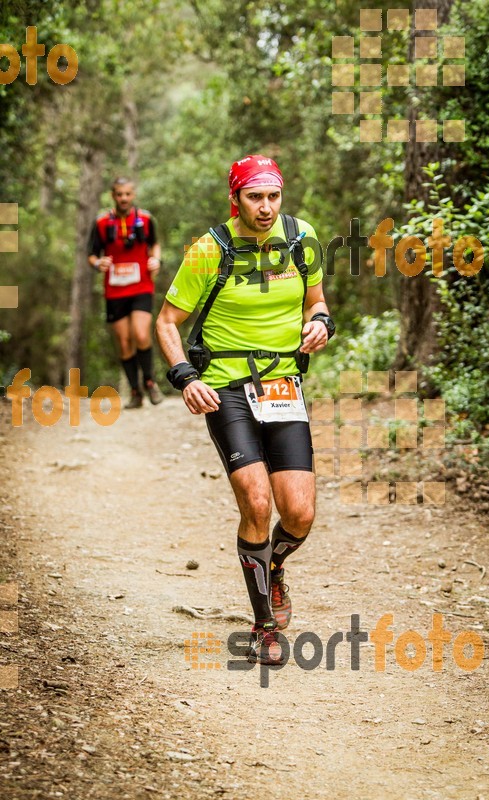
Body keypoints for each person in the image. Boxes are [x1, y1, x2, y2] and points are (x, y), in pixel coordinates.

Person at [156, 155, 335, 665]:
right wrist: (184, 375)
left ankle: (272, 568)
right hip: (226, 386)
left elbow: (316, 302)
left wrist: (321, 323)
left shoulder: (302, 239)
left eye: (273, 197)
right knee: (257, 503)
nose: (265, 207)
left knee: (298, 514)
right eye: (255, 197)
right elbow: (167, 321)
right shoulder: (209, 249)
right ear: (235, 198)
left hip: (282, 385)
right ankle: (262, 626)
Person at [88, 177, 164, 408]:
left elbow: (156, 244)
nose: (123, 198)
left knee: (141, 334)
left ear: (133, 195)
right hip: (115, 291)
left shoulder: (146, 219)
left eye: (127, 194)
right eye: (119, 194)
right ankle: (135, 392)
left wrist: (156, 260)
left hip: (141, 286)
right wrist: (97, 263)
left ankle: (150, 381)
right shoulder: (101, 222)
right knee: (123, 342)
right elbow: (91, 254)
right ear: (113, 195)